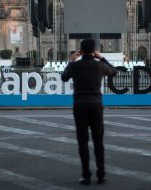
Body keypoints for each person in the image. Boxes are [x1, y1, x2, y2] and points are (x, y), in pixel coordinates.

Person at [61, 39, 117, 185]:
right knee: (98, 142)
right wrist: (102, 58)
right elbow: (114, 71)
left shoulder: (76, 66)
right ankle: (101, 175)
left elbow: (64, 77)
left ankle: (86, 175)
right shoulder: (99, 66)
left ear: (81, 50)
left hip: (80, 106)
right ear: (93, 51)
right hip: (96, 106)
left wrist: (71, 61)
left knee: (82, 142)